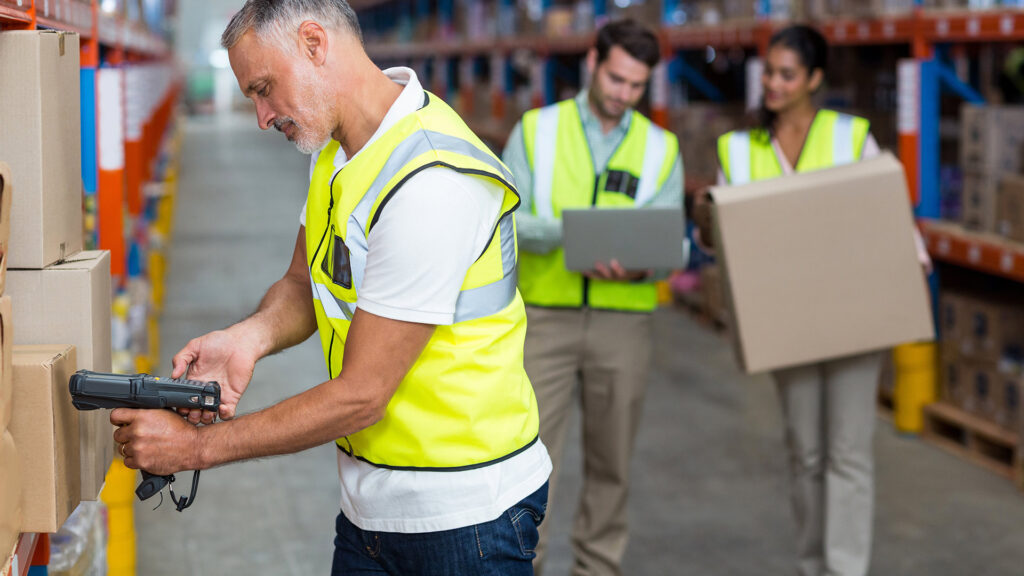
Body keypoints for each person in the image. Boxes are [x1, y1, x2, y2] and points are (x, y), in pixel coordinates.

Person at [110, 1, 552, 574]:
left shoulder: (431, 180)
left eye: (265, 89)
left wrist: (196, 449)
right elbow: (305, 282)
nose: (263, 117)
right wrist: (249, 338)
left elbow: (362, 393)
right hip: (370, 506)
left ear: (315, 44)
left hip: (463, 519)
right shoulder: (336, 153)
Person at [698, 25, 931, 576]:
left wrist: (908, 261)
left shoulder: (850, 137)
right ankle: (813, 565)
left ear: (814, 79)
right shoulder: (740, 146)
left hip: (853, 319)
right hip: (787, 322)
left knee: (848, 452)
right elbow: (727, 234)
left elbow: (885, 208)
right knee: (806, 453)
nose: (772, 84)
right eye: (769, 72)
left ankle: (845, 568)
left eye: (786, 74)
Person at [502, 19, 683, 576]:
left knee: (613, 465)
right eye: (616, 79)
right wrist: (576, 234)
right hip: (545, 319)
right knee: (530, 464)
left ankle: (598, 569)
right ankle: (524, 567)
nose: (623, 95)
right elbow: (508, 220)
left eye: (636, 85)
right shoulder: (537, 130)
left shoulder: (661, 146)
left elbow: (672, 239)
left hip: (622, 322)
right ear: (592, 64)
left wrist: (639, 261)